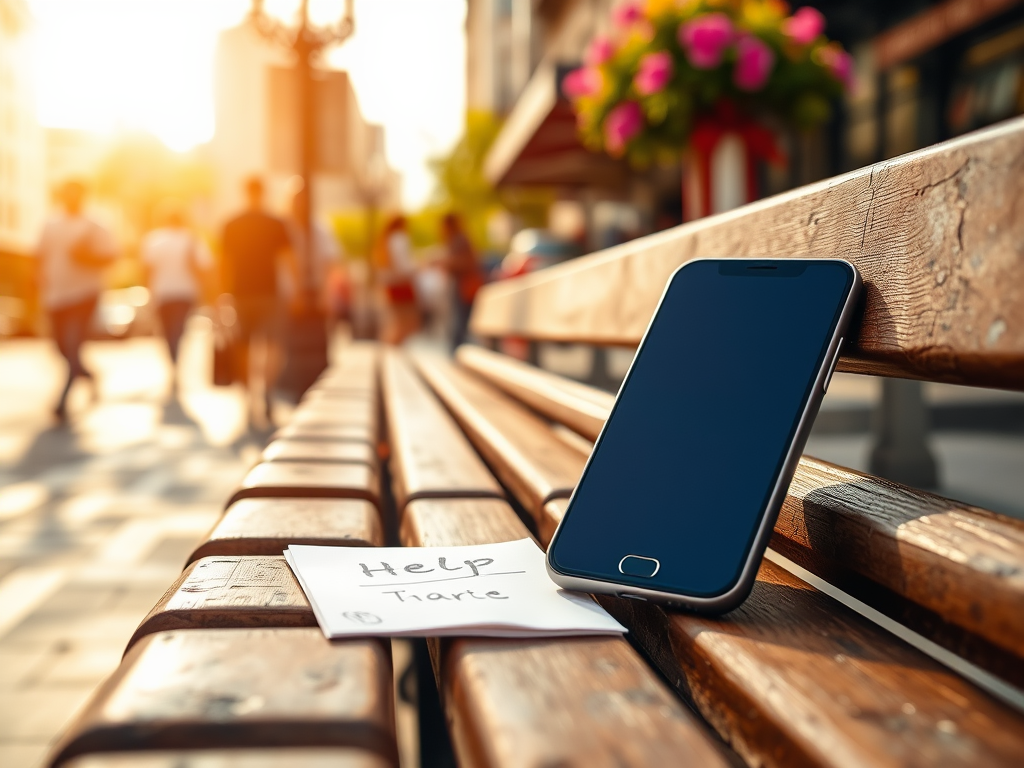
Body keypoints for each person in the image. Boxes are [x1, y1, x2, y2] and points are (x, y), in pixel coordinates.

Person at [36, 180, 117, 421]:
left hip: (84, 294)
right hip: (55, 295)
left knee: (72, 345)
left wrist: (87, 256)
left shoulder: (95, 225)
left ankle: (62, 400)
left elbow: (111, 257)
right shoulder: (50, 224)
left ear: (83, 196)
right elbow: (39, 255)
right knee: (60, 347)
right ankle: (89, 375)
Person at [221, 176, 294, 423]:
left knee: (244, 347)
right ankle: (267, 391)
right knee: (272, 345)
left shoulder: (232, 223)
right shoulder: (275, 223)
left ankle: (248, 396)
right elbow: (288, 260)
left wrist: (220, 295)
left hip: (241, 292)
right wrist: (294, 291)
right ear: (263, 193)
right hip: (269, 292)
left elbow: (224, 263)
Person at [140, 201, 213, 385]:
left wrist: (148, 292)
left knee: (167, 332)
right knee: (178, 330)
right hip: (185, 292)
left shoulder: (154, 239)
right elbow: (205, 267)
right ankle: (176, 363)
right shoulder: (192, 239)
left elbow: (146, 269)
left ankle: (173, 363)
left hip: (162, 292)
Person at [438, 213, 483, 353]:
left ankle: (458, 354)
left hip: (464, 287)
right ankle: (457, 353)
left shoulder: (459, 239)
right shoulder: (456, 239)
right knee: (459, 324)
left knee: (460, 324)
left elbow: (468, 262)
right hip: (460, 287)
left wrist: (447, 262)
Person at [372, 215, 419, 345]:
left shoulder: (385, 240)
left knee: (398, 324)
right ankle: (390, 350)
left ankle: (389, 351)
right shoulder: (399, 239)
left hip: (392, 286)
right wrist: (420, 267)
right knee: (408, 323)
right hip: (402, 285)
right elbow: (403, 267)